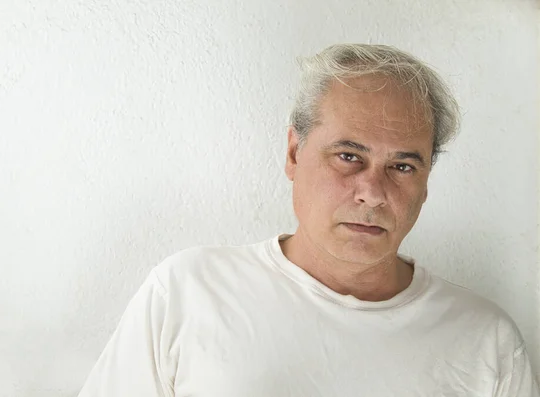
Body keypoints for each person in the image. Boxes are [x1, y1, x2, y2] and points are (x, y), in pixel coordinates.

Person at [78, 44, 539, 396]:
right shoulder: (188, 290)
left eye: (402, 166)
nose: (373, 193)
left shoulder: (486, 342)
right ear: (294, 153)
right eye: (348, 156)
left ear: (426, 181)